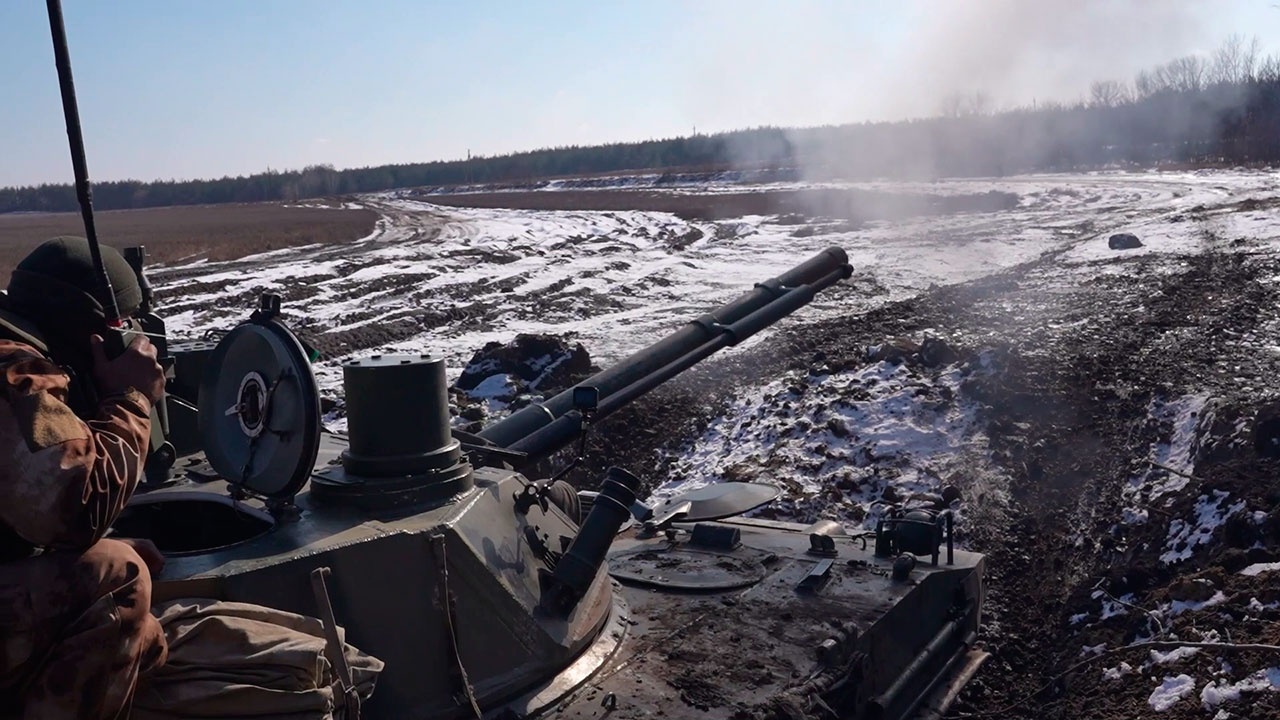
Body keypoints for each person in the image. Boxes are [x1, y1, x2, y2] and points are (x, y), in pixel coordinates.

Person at [0, 236, 169, 719]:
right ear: (98, 337)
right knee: (118, 578)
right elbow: (78, 505)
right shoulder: (16, 374)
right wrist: (132, 398)